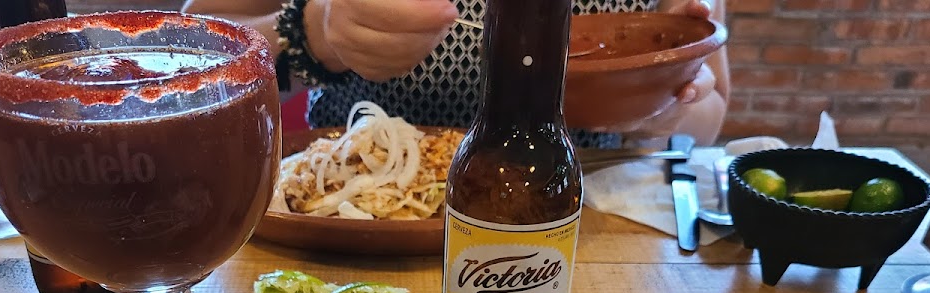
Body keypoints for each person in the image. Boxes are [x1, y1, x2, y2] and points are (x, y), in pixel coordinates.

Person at [180, 0, 728, 145]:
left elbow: (711, 113)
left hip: (584, 226)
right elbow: (186, 54)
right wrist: (314, 31)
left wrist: (662, 108)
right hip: (347, 217)